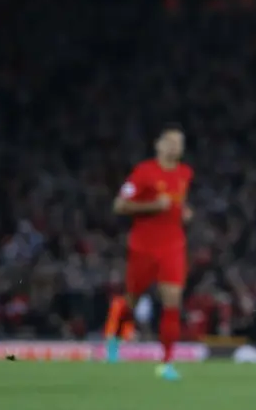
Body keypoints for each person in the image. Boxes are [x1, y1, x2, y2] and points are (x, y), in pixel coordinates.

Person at [106, 124, 194, 380]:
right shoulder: (143, 172)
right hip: (143, 247)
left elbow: (179, 201)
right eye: (170, 141)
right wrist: (153, 205)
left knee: (172, 303)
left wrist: (184, 212)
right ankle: (114, 338)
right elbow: (119, 206)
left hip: (173, 246)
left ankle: (166, 363)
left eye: (180, 142)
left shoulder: (185, 173)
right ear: (158, 145)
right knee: (131, 300)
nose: (175, 146)